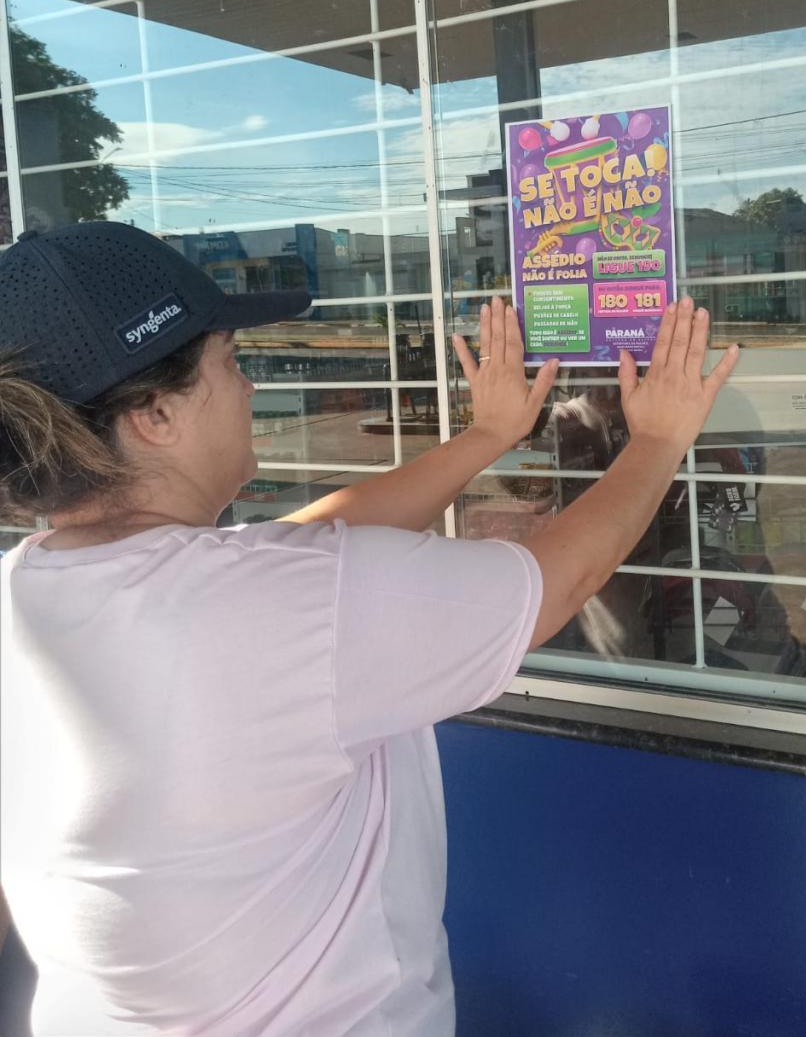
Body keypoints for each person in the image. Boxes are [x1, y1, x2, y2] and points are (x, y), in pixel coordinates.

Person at [0, 222, 738, 1036]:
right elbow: (560, 579)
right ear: (154, 414)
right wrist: (660, 438)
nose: (249, 387)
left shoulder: (27, 591)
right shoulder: (277, 606)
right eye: (230, 362)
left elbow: (304, 542)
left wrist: (487, 438)